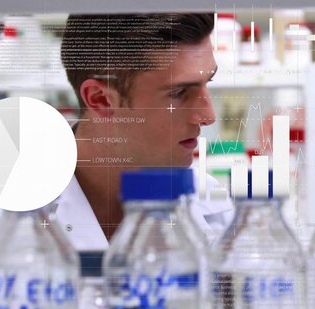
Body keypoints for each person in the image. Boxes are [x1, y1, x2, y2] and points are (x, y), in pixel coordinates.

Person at [54, 13, 231, 249]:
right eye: (178, 93)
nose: (209, 116)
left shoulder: (216, 206)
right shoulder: (7, 208)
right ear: (101, 100)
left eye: (207, 82)